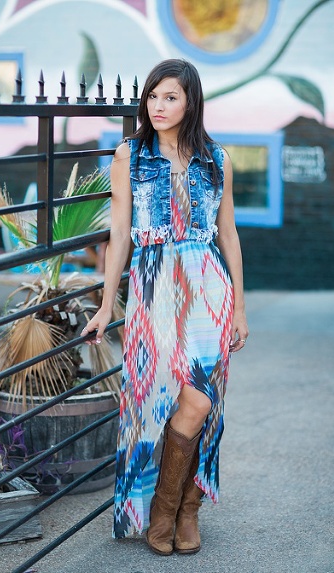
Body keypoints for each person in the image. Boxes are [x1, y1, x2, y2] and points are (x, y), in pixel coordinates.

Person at [81, 59, 248, 555]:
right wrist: (107, 303)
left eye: (170, 97)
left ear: (190, 102)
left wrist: (240, 307)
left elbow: (228, 233)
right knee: (166, 398)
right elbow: (118, 234)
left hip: (208, 286)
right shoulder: (129, 154)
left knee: (204, 400)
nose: (158, 106)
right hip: (154, 285)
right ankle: (164, 507)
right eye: (153, 96)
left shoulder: (216, 158)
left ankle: (182, 510)